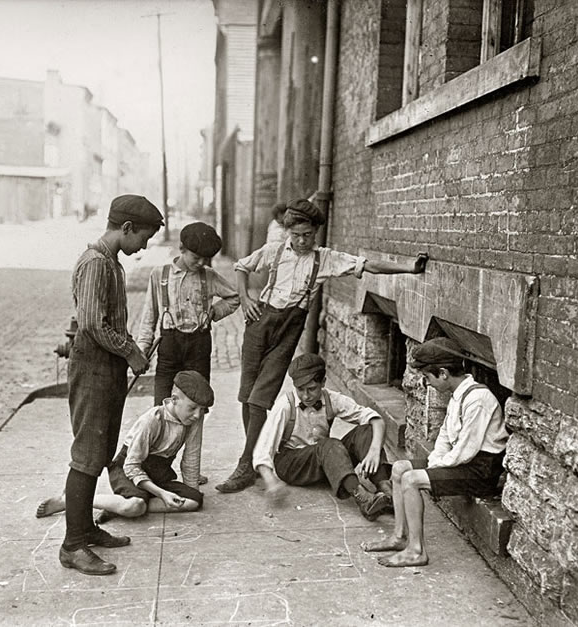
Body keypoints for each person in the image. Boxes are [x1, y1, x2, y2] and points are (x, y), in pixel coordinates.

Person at [215, 197, 429, 493]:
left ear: (316, 233)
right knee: (246, 396)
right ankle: (254, 458)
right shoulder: (275, 250)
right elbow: (241, 267)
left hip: (289, 330)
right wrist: (246, 298)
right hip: (258, 323)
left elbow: (367, 266)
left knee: (260, 398)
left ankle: (245, 464)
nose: (302, 241)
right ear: (287, 232)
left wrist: (408, 267)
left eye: (308, 235)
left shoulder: (324, 259)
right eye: (296, 235)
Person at [59, 194, 163, 576]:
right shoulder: (95, 264)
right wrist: (131, 350)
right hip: (93, 368)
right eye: (144, 238)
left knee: (100, 450)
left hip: (107, 369)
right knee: (87, 456)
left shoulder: (110, 263)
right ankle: (72, 546)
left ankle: (86, 529)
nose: (144, 246)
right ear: (126, 228)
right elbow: (90, 323)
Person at [360, 337, 509, 567]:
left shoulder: (478, 399)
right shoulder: (458, 395)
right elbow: (445, 436)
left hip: (481, 471)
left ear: (443, 373)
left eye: (427, 377)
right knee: (400, 468)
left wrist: (432, 471)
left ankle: (416, 551)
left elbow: (464, 452)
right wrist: (434, 462)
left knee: (411, 480)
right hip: (464, 462)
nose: (426, 383)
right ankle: (400, 537)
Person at [36, 371, 213, 522]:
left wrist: (190, 490)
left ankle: (116, 505)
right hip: (128, 469)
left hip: (157, 474)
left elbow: (191, 457)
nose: (198, 415)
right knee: (135, 506)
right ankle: (71, 501)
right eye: (193, 408)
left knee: (193, 502)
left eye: (202, 409)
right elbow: (132, 465)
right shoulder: (152, 420)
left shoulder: (194, 419)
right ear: (174, 400)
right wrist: (161, 494)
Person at [253, 354, 393, 520]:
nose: (306, 396)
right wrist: (271, 482)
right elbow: (263, 449)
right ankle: (363, 498)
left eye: (311, 389)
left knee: (366, 430)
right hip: (292, 464)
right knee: (329, 444)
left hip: (323, 460)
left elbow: (376, 419)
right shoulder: (285, 405)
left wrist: (374, 451)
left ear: (323, 383)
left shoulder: (332, 399)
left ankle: (386, 491)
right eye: (300, 389)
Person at [136, 222, 239, 407]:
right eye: (196, 257)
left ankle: (193, 436)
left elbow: (233, 298)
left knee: (197, 404)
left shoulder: (209, 276)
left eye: (206, 259)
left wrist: (215, 311)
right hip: (169, 347)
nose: (201, 263)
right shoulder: (160, 274)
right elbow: (149, 315)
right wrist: (143, 348)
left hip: (198, 347)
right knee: (162, 404)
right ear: (182, 248)